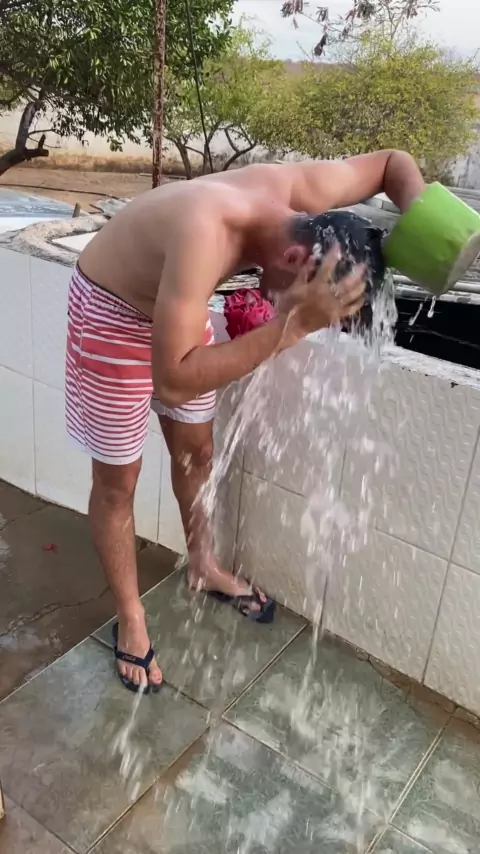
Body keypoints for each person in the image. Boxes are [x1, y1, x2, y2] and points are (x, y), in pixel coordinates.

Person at [65, 149, 425, 693]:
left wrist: (424, 225)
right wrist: (294, 325)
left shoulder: (300, 194)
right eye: (318, 308)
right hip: (112, 311)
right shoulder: (206, 233)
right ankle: (131, 616)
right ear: (297, 257)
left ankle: (203, 563)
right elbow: (174, 381)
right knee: (119, 482)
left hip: (174, 303)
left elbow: (393, 163)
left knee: (198, 452)